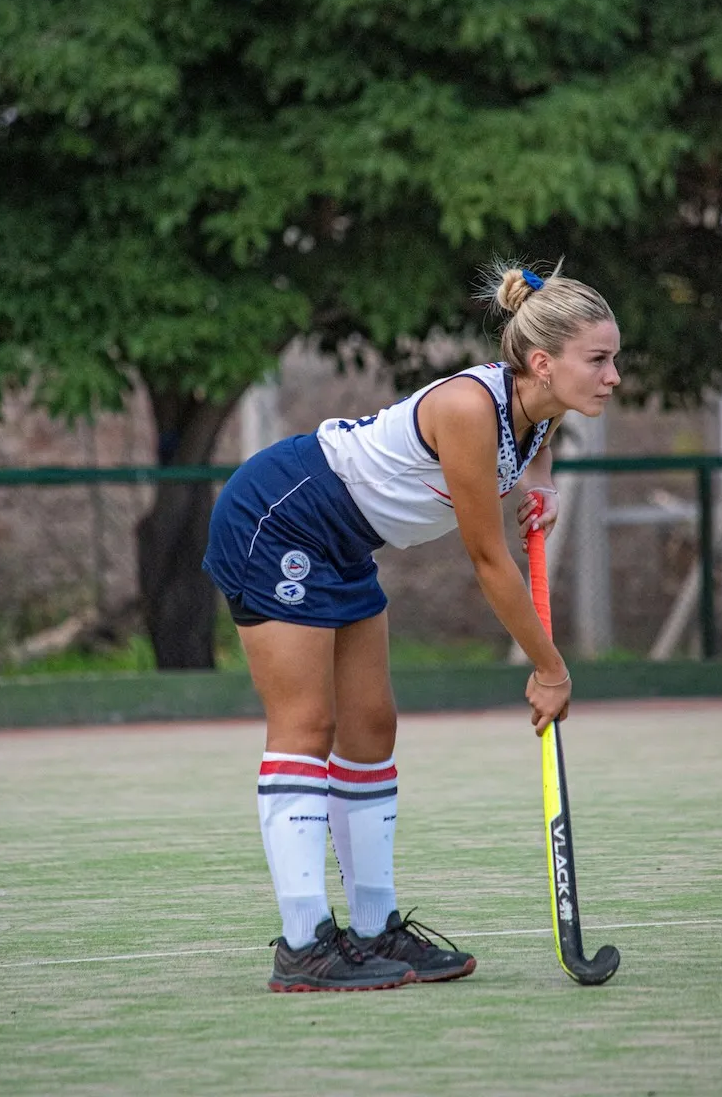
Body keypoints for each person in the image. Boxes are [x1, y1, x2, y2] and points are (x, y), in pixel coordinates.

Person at [203, 260, 621, 993]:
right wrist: (550, 668)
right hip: (279, 516)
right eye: (600, 359)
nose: (614, 375)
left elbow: (536, 443)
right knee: (307, 724)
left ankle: (373, 928)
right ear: (542, 362)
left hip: (344, 539)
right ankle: (304, 944)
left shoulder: (540, 407)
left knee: (371, 727)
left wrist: (542, 486)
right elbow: (490, 564)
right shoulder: (467, 409)